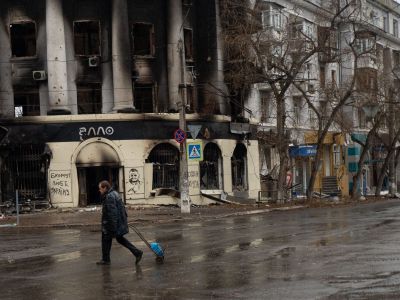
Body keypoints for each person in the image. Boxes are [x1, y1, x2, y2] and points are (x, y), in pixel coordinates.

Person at [96, 180, 143, 265]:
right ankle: (137, 252)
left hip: (112, 223)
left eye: (100, 189)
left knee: (106, 239)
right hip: (118, 222)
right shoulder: (115, 193)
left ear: (105, 188)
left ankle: (106, 260)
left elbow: (112, 214)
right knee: (118, 239)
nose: (99, 190)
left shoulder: (110, 196)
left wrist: (112, 228)